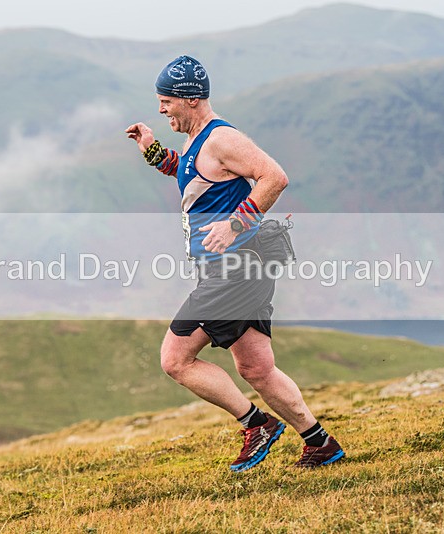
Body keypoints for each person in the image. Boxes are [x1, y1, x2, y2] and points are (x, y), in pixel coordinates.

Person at [125, 55, 344, 470]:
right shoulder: (197, 141)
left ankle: (256, 424)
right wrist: (153, 151)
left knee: (175, 359)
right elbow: (191, 174)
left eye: (166, 100)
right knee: (257, 369)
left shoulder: (222, 138)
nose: (160, 108)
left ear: (190, 100)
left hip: (235, 267)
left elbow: (274, 177)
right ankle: (320, 443)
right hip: (238, 269)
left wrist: (234, 225)